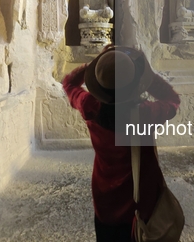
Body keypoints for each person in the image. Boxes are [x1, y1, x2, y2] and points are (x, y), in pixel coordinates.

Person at [62, 45, 180, 242]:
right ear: (135, 84)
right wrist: (145, 72)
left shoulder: (89, 106)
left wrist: (98, 64)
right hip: (142, 196)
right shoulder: (146, 113)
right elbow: (172, 99)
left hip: (105, 193)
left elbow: (69, 84)